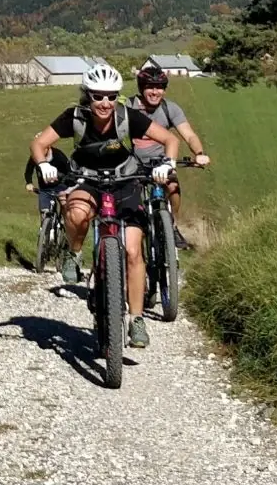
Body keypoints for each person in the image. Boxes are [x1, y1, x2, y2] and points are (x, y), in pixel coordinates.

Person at [27, 62, 181, 350]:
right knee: (76, 213)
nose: (105, 103)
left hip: (125, 181)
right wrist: (44, 164)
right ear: (88, 95)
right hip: (85, 179)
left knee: (134, 251)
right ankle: (73, 253)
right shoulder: (74, 117)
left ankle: (136, 320)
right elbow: (38, 143)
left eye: (111, 96)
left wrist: (167, 164)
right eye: (98, 96)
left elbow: (169, 139)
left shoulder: (128, 116)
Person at [127, 64, 211, 249]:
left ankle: (171, 224)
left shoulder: (170, 109)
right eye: (150, 87)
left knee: (172, 185)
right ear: (141, 88)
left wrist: (199, 153)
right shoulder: (128, 107)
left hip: (162, 163)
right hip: (133, 163)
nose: (155, 92)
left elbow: (189, 135)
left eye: (159, 88)